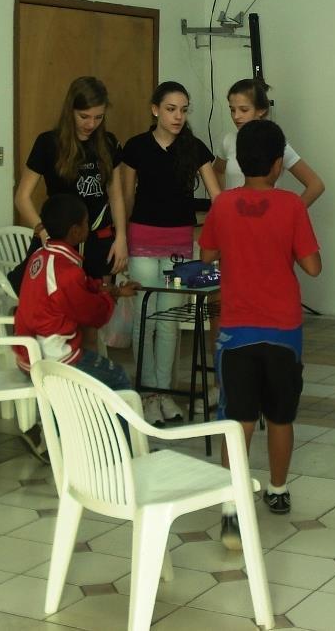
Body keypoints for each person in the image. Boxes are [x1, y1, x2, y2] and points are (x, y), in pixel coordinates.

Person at [199, 120, 321, 547]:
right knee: (281, 415)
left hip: (236, 328)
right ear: (277, 165)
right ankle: (278, 489)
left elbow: (207, 253)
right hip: (284, 329)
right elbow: (312, 267)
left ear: (238, 160)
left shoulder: (223, 205)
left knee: (238, 418)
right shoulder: (292, 206)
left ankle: (231, 507)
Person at [121, 82, 221, 426]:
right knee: (145, 317)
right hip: (142, 238)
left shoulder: (193, 147)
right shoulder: (136, 146)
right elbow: (127, 197)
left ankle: (164, 393)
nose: (178, 116)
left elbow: (218, 196)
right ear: (155, 110)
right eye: (171, 109)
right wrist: (121, 238)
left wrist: (209, 232)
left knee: (169, 321)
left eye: (183, 110)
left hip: (179, 242)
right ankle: (147, 394)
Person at [12, 194, 139, 387]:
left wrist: (114, 291)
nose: (89, 226)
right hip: (53, 358)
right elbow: (92, 314)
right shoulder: (66, 271)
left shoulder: (40, 256)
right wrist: (112, 297)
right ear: (75, 231)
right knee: (118, 377)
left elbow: (81, 288)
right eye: (86, 222)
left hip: (27, 355)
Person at [13, 77, 127, 285]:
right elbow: (22, 197)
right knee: (47, 295)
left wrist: (121, 238)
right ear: (70, 111)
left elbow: (116, 197)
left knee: (99, 299)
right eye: (84, 116)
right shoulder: (48, 143)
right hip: (57, 238)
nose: (91, 124)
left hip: (97, 239)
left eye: (98, 117)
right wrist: (42, 231)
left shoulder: (109, 143)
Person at [215, 77, 325, 205]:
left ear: (261, 110)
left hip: (268, 214)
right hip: (235, 214)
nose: (236, 116)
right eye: (232, 110)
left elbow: (316, 185)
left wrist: (291, 213)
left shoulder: (274, 143)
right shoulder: (228, 141)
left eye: (244, 110)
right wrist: (221, 201)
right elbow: (217, 171)